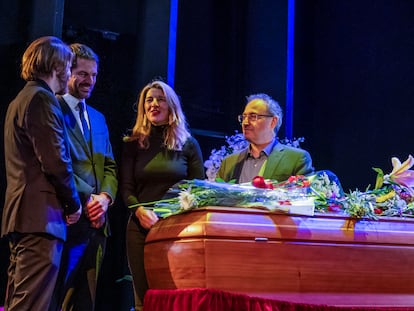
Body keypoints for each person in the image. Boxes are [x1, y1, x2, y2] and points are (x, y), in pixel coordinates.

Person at [1, 36, 82, 311]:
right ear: (57, 65)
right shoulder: (42, 100)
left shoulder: (21, 99)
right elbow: (56, 162)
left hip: (25, 217)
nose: (70, 74)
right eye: (69, 66)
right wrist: (73, 204)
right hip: (41, 219)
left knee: (21, 300)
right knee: (31, 304)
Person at [120, 80, 205, 310]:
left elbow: (199, 188)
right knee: (144, 299)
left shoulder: (188, 144)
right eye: (149, 100)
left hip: (177, 230)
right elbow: (126, 188)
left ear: (171, 106)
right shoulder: (132, 144)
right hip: (140, 228)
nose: (154, 104)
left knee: (174, 295)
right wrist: (139, 210)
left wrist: (174, 213)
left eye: (160, 99)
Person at [49, 43, 118, 311]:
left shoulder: (99, 118)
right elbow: (58, 162)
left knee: (86, 302)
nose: (89, 80)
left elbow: (110, 166)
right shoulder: (52, 108)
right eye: (82, 74)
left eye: (94, 74)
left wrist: (105, 198)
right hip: (69, 218)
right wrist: (89, 198)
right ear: (67, 72)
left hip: (98, 225)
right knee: (58, 298)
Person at [217, 93, 314, 183]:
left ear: (273, 121)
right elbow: (214, 197)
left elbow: (305, 196)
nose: (245, 123)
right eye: (244, 117)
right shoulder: (228, 162)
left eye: (253, 116)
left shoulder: (296, 159)